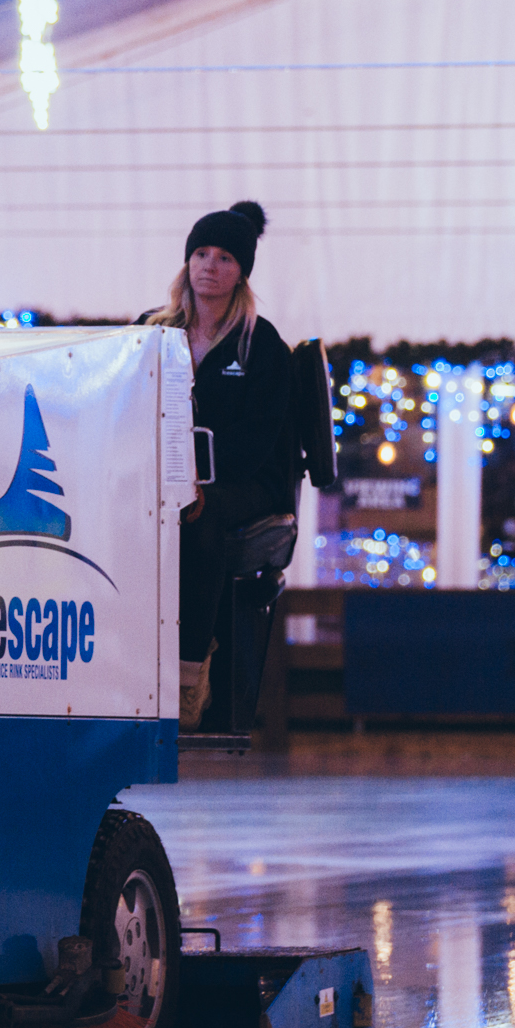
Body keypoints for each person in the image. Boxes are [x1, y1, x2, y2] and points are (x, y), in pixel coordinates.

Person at [147, 201, 295, 730]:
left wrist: (195, 480)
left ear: (242, 273)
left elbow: (258, 438)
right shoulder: (151, 332)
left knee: (200, 517)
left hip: (244, 481)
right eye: (201, 253)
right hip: (160, 476)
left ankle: (189, 678)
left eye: (226, 257)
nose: (210, 265)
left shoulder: (263, 344)